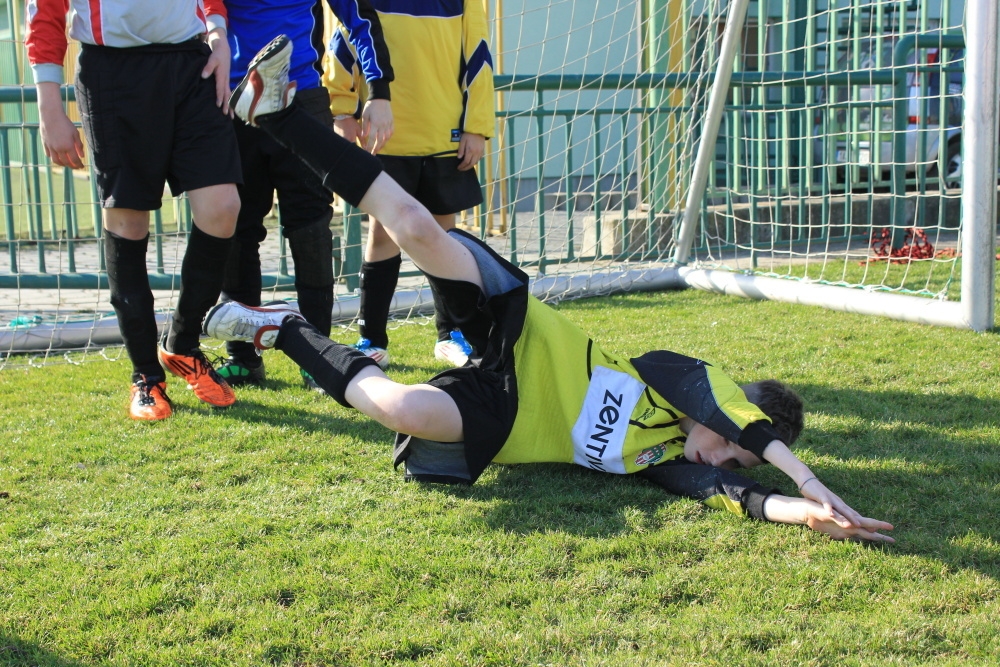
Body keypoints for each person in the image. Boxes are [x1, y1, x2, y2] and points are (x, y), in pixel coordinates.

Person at [210, 36, 894, 542]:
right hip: (519, 326)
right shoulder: (680, 381)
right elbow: (731, 417)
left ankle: (282, 328)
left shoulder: (659, 460)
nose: (717, 453)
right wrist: (808, 476)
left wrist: (797, 509)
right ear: (732, 411)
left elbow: (732, 491)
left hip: (506, 417)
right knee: (417, 226)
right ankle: (275, 114)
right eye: (728, 440)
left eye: (732, 457)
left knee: (400, 410)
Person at [26, 0, 243, 420]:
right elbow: (46, 13)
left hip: (191, 63)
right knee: (127, 221)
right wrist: (50, 108)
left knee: (222, 208)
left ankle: (181, 345)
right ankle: (146, 376)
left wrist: (218, 37)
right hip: (112, 72)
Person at [218, 0, 394, 390]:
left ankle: (319, 358)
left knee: (310, 227)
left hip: (302, 99)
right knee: (235, 230)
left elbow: (360, 17)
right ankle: (242, 358)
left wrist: (378, 90)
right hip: (233, 101)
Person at [325, 0, 494, 369]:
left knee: (443, 236)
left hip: (444, 132)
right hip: (384, 135)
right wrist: (343, 108)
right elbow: (345, 42)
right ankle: (372, 338)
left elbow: (479, 56)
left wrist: (476, 126)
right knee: (383, 234)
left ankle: (451, 335)